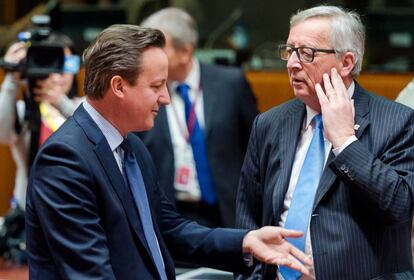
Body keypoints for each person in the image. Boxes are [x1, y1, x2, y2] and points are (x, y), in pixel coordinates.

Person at [25, 24, 312, 279]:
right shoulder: (65, 158)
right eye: (157, 86)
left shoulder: (131, 144)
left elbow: (167, 228)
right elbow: (88, 272)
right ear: (118, 86)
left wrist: (245, 241)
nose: (165, 98)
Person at [235, 5, 414, 280]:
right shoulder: (270, 124)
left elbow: (399, 208)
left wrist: (345, 142)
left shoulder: (398, 121)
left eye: (306, 53)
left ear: (346, 62)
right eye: (289, 50)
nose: (291, 63)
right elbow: (248, 219)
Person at [138, 7, 259, 228]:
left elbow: (257, 147)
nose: (148, 57)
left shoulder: (230, 85)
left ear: (185, 51)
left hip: (227, 214)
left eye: (158, 48)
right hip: (169, 217)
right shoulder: (145, 90)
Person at [0, 33, 82, 212]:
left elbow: (95, 130)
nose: (60, 74)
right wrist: (11, 78)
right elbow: (3, 134)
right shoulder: (25, 110)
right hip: (30, 211)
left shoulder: (84, 108)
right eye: (53, 63)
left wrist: (61, 102)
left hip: (75, 208)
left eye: (67, 64)